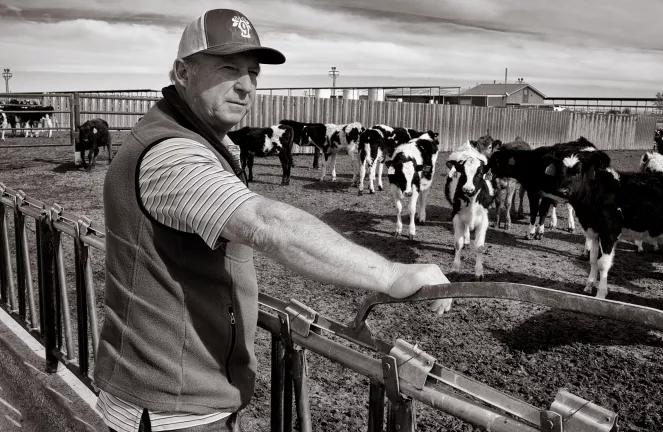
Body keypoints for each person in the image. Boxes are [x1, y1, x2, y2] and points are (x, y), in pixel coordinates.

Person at [94, 9, 452, 432]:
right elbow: (266, 224)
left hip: (181, 392)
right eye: (228, 68)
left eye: (253, 72)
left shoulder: (191, 138)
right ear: (182, 72)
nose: (246, 86)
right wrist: (392, 275)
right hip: (173, 407)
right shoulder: (171, 153)